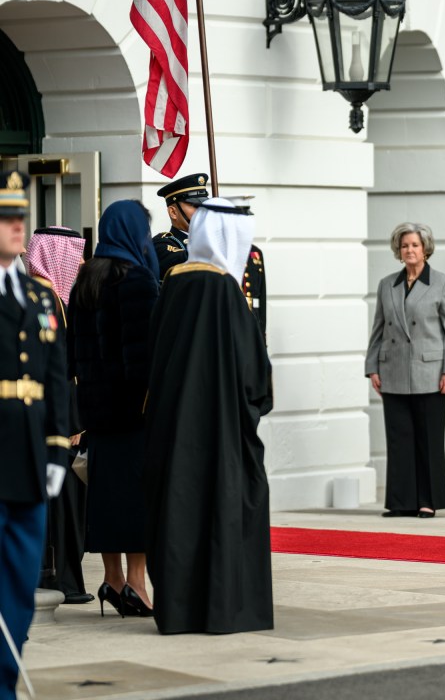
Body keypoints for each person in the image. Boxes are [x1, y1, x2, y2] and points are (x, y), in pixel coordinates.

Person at [144, 198, 274, 635]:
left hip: (172, 429)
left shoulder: (174, 284)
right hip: (220, 431)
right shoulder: (225, 292)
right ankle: (221, 609)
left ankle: (178, 612)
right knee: (222, 511)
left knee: (179, 513)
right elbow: (254, 377)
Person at [68, 199, 159, 618]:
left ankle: (112, 580)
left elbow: (74, 356)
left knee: (104, 498)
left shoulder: (83, 279)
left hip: (97, 413)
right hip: (132, 413)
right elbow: (141, 360)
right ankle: (137, 585)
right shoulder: (137, 279)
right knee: (138, 499)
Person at [0, 169, 71, 700]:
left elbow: (54, 380)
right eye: (6, 218)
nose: (16, 227)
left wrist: (57, 449)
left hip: (28, 459)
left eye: (20, 217)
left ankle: (8, 665)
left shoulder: (40, 298)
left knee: (21, 584)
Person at [365, 223, 445, 519]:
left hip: (431, 372)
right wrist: (372, 367)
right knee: (399, 438)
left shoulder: (443, 284)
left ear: (425, 249)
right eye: (405, 245)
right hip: (392, 368)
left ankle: (427, 500)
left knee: (428, 439)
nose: (410, 250)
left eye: (415, 245)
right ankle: (400, 500)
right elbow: (378, 329)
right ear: (399, 250)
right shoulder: (386, 284)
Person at [24, 227, 90, 605]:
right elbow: (56, 372)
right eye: (74, 253)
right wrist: (72, 423)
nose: (80, 263)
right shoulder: (47, 300)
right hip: (56, 422)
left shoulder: (45, 296)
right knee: (63, 503)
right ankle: (63, 580)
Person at [151, 172, 209, 280]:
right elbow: (185, 261)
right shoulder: (161, 244)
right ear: (173, 212)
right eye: (194, 205)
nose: (202, 211)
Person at [225, 196, 268, 342]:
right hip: (230, 323)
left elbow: (261, 296)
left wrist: (262, 333)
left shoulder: (255, 253)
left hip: (253, 323)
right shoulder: (220, 252)